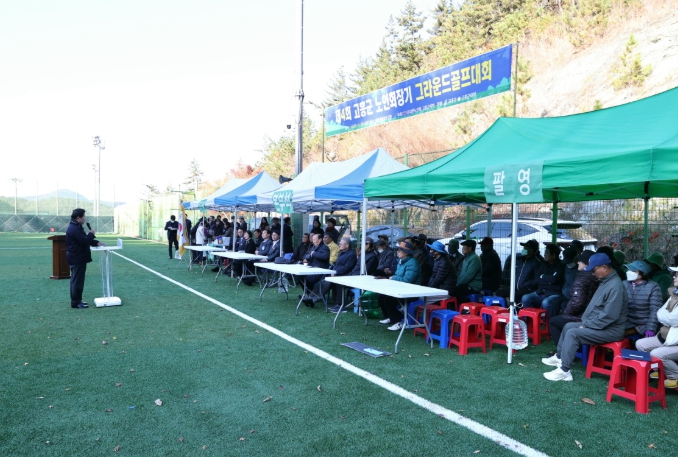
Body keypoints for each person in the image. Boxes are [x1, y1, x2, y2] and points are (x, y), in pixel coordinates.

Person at [542, 253, 628, 382]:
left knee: (573, 333)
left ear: (604, 268)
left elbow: (610, 316)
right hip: (600, 325)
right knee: (568, 326)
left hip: (611, 330)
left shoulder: (615, 286)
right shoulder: (606, 281)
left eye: (594, 269)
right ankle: (559, 357)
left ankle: (565, 371)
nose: (592, 273)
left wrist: (587, 325)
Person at [636, 267, 678, 389]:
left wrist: (666, 317)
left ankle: (675, 376)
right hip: (666, 337)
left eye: (677, 274)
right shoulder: (674, 293)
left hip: (675, 341)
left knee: (657, 353)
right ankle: (658, 370)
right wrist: (667, 317)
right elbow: (659, 313)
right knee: (640, 344)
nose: (674, 276)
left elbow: (673, 319)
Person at [548, 251, 598, 343]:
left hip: (582, 317)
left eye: (580, 261)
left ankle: (562, 349)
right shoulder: (596, 276)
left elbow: (577, 303)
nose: (578, 262)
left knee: (553, 321)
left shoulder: (582, 279)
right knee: (562, 304)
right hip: (591, 315)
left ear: (587, 263)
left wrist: (567, 313)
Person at [65, 209, 105, 309]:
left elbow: (84, 240)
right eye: (83, 216)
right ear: (78, 217)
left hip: (77, 257)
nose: (85, 218)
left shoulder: (76, 227)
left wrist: (96, 243)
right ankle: (76, 302)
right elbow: (84, 240)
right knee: (77, 281)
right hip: (77, 258)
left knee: (76, 280)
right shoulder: (75, 228)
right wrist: (91, 234)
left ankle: (77, 301)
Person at [378, 242, 422, 331]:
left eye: (400, 250)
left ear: (406, 253)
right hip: (402, 290)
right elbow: (398, 276)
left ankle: (398, 322)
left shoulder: (412, 263)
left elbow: (407, 280)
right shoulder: (400, 262)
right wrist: (393, 278)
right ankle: (390, 317)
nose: (397, 252)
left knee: (389, 299)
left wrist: (393, 278)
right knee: (381, 296)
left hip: (412, 292)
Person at [521, 244, 566, 318]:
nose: (544, 254)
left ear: (553, 255)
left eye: (547, 252)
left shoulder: (561, 266)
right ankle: (528, 321)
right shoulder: (543, 264)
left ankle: (547, 323)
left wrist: (543, 276)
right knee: (525, 298)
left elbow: (554, 280)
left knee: (546, 303)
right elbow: (536, 278)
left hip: (553, 294)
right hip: (541, 292)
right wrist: (548, 281)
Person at [623, 260, 662, 338]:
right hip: (627, 323)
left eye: (633, 271)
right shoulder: (624, 284)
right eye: (629, 270)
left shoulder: (653, 287)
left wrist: (650, 328)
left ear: (643, 274)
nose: (629, 272)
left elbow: (655, 309)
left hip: (645, 324)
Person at [325, 238, 357, 313]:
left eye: (341, 244)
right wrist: (333, 271)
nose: (339, 245)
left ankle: (341, 306)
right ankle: (314, 297)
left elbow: (347, 267)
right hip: (338, 274)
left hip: (347, 276)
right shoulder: (341, 252)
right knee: (326, 281)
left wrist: (336, 272)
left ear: (347, 245)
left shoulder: (351, 255)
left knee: (338, 283)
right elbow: (336, 265)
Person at [300, 233, 331, 307]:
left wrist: (314, 254)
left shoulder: (325, 247)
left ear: (320, 239)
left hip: (320, 269)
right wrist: (308, 257)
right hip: (311, 267)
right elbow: (307, 255)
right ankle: (310, 295)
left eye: (314, 239)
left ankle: (311, 296)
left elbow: (325, 256)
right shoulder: (313, 246)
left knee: (308, 278)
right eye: (312, 239)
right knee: (300, 277)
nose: (313, 241)